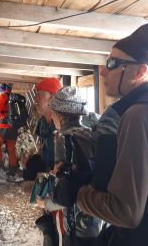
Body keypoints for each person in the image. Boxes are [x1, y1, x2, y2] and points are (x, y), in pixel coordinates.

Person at [55, 23, 148, 245]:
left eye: (113, 63)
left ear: (140, 71)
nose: (103, 71)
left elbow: (126, 213)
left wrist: (77, 193)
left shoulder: (139, 115)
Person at [36, 86, 102, 246]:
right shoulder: (92, 135)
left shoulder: (64, 139)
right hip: (97, 215)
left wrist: (45, 203)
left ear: (58, 114)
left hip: (77, 221)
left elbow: (66, 194)